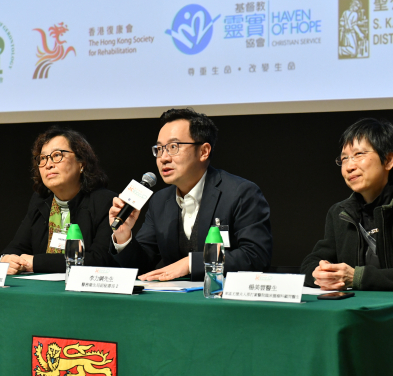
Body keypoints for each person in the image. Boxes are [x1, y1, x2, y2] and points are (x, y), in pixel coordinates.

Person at [109, 108, 273, 281]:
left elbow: (256, 257)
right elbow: (143, 266)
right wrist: (123, 235)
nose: (163, 158)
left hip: (223, 301)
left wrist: (191, 263)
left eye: (173, 147)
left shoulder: (240, 193)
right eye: (159, 148)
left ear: (203, 151)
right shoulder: (160, 201)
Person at [300, 118, 393, 291]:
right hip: (352, 311)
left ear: (388, 160)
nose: (349, 166)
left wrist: (357, 277)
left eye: (358, 155)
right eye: (344, 158)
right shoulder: (339, 213)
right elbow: (309, 264)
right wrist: (320, 274)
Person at [0, 126, 117, 274]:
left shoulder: (104, 201)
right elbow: (16, 247)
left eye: (57, 156)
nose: (48, 164)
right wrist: (5, 260)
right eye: (43, 158)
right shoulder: (40, 201)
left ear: (82, 163)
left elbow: (100, 259)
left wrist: (36, 262)